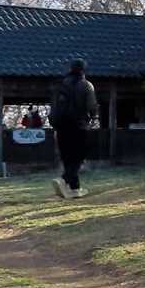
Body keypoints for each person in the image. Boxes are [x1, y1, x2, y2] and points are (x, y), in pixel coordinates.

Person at [50, 58, 97, 199]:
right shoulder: (86, 85)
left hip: (61, 127)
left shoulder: (61, 85)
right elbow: (92, 106)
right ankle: (63, 180)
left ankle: (75, 188)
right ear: (83, 70)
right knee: (79, 157)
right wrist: (93, 117)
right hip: (78, 126)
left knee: (67, 157)